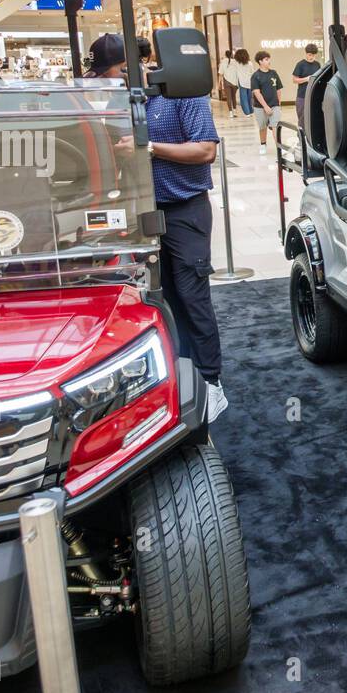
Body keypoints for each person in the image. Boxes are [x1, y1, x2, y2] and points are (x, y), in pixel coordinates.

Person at [86, 34, 229, 423]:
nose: (109, 81)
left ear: (135, 66)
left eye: (112, 72)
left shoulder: (182, 94)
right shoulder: (121, 104)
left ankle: (212, 383)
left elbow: (205, 150)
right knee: (160, 298)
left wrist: (148, 146)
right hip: (143, 212)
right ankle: (177, 375)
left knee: (193, 296)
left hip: (185, 210)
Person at [250, 50, 284, 156]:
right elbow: (256, 92)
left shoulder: (274, 73)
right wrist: (265, 107)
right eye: (266, 59)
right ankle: (263, 145)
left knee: (275, 126)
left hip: (274, 105)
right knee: (262, 127)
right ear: (260, 61)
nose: (269, 61)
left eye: (269, 59)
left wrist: (279, 103)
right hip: (260, 107)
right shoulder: (255, 76)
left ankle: (279, 148)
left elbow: (278, 89)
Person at [292, 43, 321, 130]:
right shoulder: (300, 64)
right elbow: (294, 80)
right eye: (309, 55)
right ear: (306, 53)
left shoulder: (317, 64)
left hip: (314, 96)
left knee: (314, 118)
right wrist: (307, 79)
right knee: (302, 120)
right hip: (302, 96)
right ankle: (301, 139)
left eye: (313, 55)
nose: (311, 57)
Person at [231, 48, 254, 118]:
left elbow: (232, 60)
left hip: (242, 83)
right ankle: (251, 111)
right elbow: (253, 72)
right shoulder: (250, 63)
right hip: (250, 82)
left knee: (243, 98)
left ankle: (247, 113)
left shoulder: (236, 63)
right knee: (249, 98)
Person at [218, 49, 238, 117]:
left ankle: (230, 113)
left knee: (228, 97)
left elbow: (220, 74)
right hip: (234, 82)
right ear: (231, 55)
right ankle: (235, 112)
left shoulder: (223, 62)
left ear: (225, 55)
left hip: (227, 82)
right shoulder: (235, 62)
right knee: (233, 97)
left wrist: (219, 83)